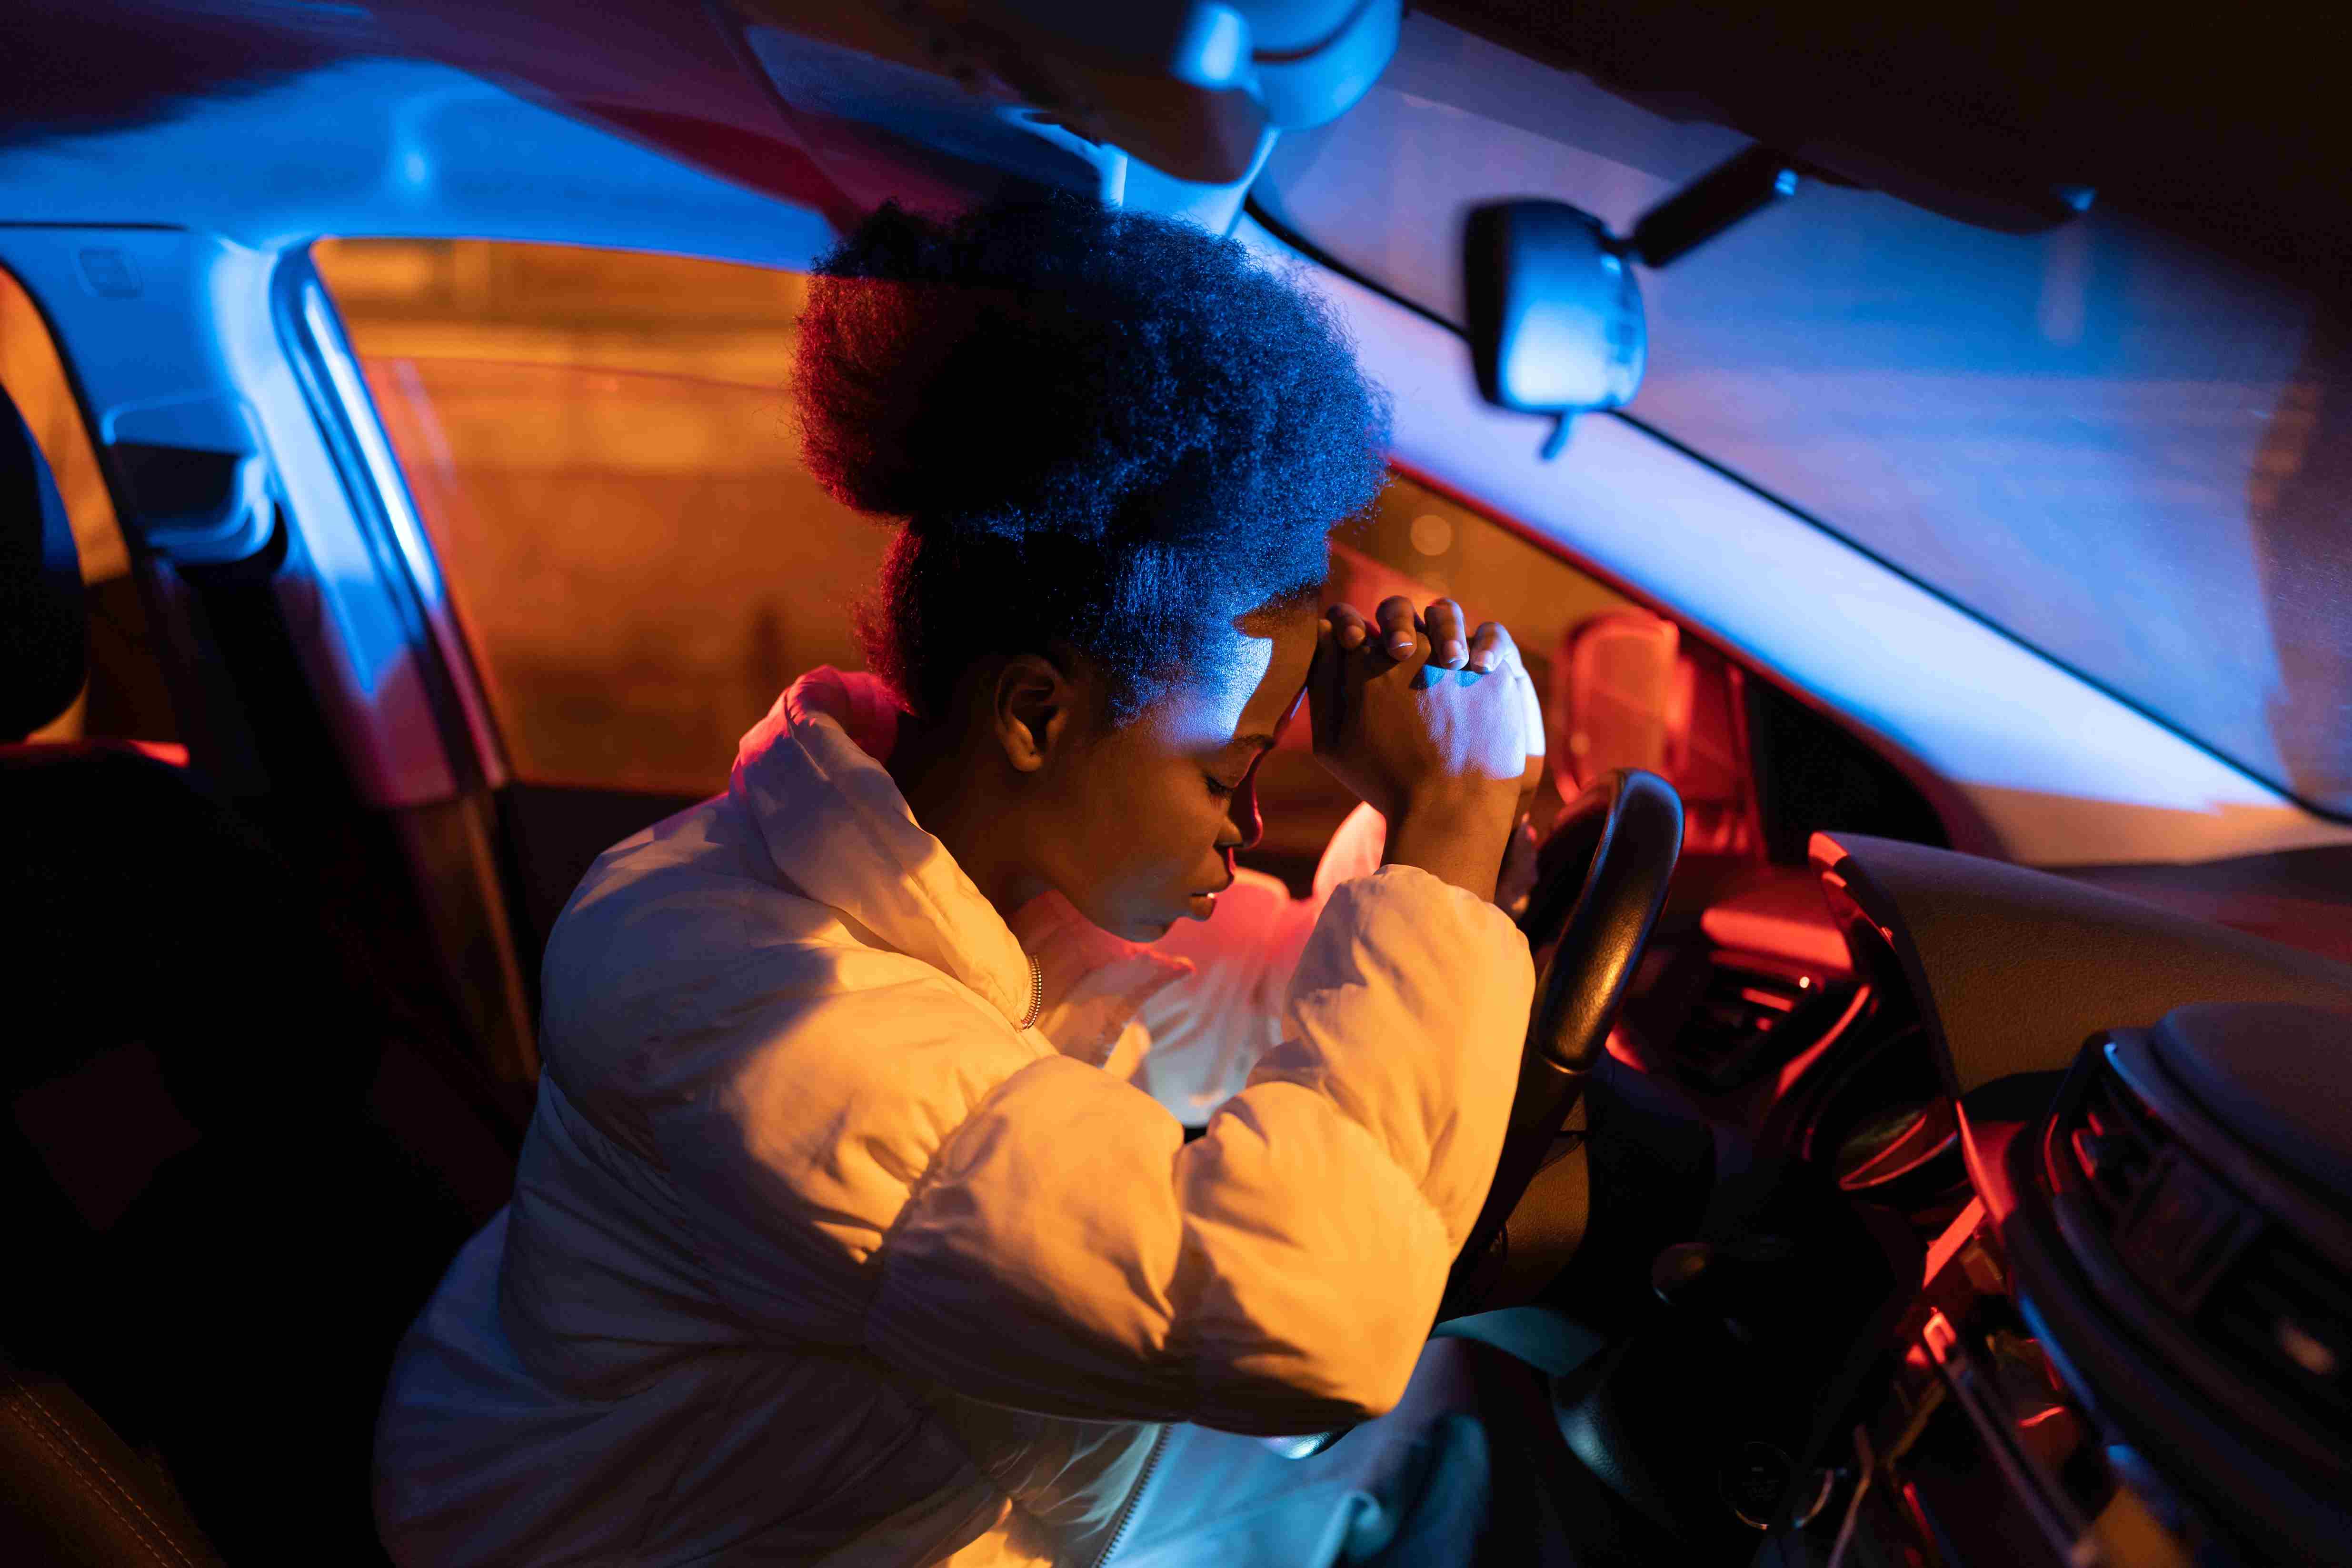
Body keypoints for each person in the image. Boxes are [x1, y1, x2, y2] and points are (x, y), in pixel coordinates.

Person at [373, 197, 1542, 1567]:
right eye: (1225, 779)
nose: (1241, 836)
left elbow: (1260, 1001)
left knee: (1462, 1431)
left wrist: (1434, 830)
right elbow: (1305, 1309)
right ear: (1038, 714)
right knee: (1454, 1454)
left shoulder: (962, 875)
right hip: (671, 1542)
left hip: (916, 1474)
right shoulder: (758, 1014)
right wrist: (1444, 853)